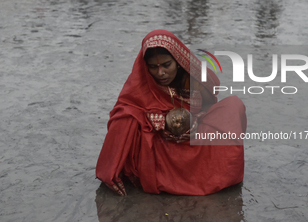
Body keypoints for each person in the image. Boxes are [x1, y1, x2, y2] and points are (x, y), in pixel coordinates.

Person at [96, 29, 247, 196]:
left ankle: (213, 172)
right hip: (162, 146)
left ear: (178, 60)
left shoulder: (194, 80)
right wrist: (156, 122)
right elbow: (125, 112)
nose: (160, 73)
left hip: (193, 137)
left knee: (233, 106)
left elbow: (209, 107)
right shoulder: (142, 83)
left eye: (167, 65)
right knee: (125, 119)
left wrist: (195, 123)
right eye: (153, 67)